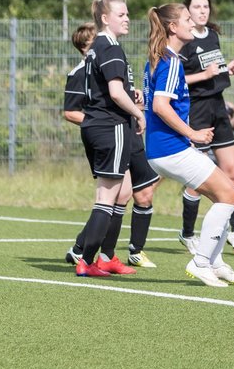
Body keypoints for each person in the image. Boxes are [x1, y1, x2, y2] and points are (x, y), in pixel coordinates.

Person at [142, 2, 234, 287]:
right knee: (229, 194)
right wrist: (193, 134)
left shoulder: (159, 57)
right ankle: (201, 262)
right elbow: (161, 106)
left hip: (162, 148)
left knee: (222, 196)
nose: (193, 23)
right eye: (187, 19)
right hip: (169, 148)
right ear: (173, 27)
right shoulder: (171, 60)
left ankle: (215, 262)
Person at [62, 20, 162, 270]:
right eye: (90, 44)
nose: (94, 46)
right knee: (109, 195)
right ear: (84, 48)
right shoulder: (81, 71)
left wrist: (133, 95)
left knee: (128, 192)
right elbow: (71, 111)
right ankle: (84, 254)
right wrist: (101, 123)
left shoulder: (110, 58)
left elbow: (116, 92)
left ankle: (107, 256)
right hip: (112, 130)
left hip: (126, 129)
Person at [178, 0, 234, 255]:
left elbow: (212, 71)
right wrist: (202, 75)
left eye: (206, 6)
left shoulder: (213, 36)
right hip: (196, 110)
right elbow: (177, 79)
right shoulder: (183, 41)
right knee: (197, 178)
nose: (203, 11)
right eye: (197, 7)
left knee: (232, 171)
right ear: (188, 11)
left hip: (218, 107)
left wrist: (226, 69)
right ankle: (186, 233)